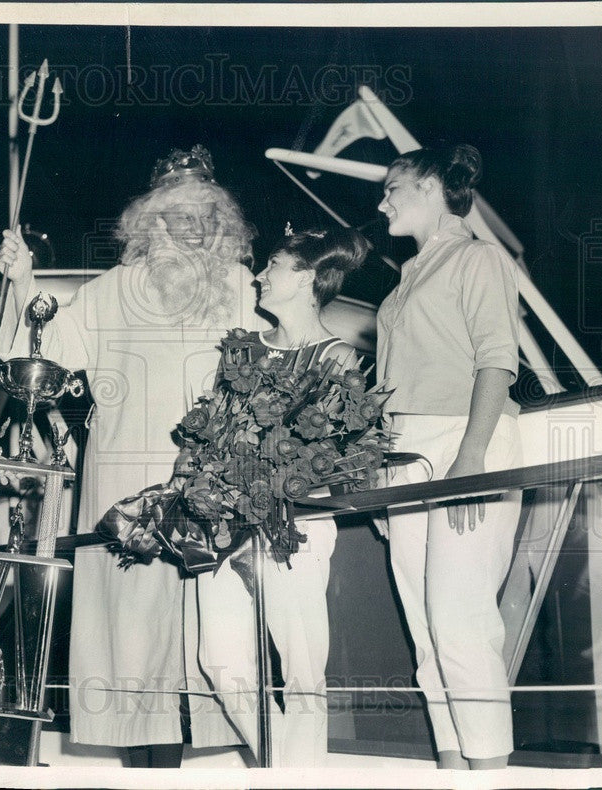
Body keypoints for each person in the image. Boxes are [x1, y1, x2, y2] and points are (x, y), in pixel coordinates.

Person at [0, 145, 266, 767]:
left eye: (207, 213)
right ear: (153, 222)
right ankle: (143, 768)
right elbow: (36, 360)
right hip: (124, 487)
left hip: (213, 485)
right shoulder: (108, 290)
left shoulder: (242, 288)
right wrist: (23, 283)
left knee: (213, 641)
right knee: (134, 644)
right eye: (180, 213)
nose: (195, 225)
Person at [192, 226, 370, 767]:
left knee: (301, 667)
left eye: (272, 265)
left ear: (308, 279)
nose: (259, 276)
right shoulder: (241, 349)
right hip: (226, 521)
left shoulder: (339, 357)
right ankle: (283, 767)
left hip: (299, 523)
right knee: (218, 658)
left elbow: (354, 454)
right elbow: (210, 432)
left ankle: (296, 776)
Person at [374, 144, 522, 770]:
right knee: (426, 631)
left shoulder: (478, 257)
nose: (382, 201)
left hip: (467, 442)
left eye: (392, 189)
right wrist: (384, 471)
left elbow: (497, 362)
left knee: (460, 619)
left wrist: (472, 460)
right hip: (406, 456)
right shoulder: (408, 274)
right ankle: (454, 770)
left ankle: (491, 773)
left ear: (432, 186)